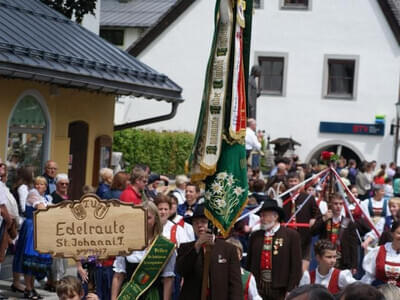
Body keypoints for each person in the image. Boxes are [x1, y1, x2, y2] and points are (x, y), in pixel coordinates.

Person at [176, 204, 242, 300]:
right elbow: (181, 270)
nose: (199, 225)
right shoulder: (185, 248)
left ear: (212, 224)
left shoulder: (228, 249)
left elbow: (235, 285)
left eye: (203, 222)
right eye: (195, 223)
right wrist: (197, 246)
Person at [111, 201, 176, 300]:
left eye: (148, 217)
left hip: (153, 296)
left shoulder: (164, 246)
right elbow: (118, 276)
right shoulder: (126, 242)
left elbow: (168, 279)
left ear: (155, 219)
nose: (144, 220)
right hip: (129, 294)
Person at [246, 200, 302, 300]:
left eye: (264, 216)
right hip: (258, 287)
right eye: (261, 216)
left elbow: (296, 266)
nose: (261, 219)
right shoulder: (255, 236)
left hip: (280, 288)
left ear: (275, 216)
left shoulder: (291, 235)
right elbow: (249, 263)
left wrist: (291, 289)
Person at [12, 176, 52, 299]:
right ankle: (28, 289)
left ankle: (32, 288)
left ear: (46, 187)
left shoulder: (46, 197)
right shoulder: (33, 194)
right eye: (37, 184)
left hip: (39, 228)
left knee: (35, 261)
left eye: (41, 184)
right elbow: (41, 208)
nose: (38, 186)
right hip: (31, 229)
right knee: (30, 259)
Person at [282, 172, 320, 272]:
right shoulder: (282, 198)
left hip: (304, 238)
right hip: (286, 238)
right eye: (291, 181)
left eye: (295, 181)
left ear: (300, 182)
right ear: (287, 183)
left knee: (303, 270)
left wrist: (314, 219)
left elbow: (317, 214)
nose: (293, 183)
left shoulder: (308, 198)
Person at [310, 193, 358, 271]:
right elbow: (313, 232)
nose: (338, 206)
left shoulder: (348, 222)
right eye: (335, 204)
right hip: (326, 258)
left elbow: (353, 245)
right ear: (330, 204)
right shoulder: (324, 219)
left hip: (343, 260)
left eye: (340, 204)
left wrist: (354, 265)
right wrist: (323, 219)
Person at [362, 220, 400, 286]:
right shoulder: (378, 251)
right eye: (399, 233)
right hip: (379, 293)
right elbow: (369, 277)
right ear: (392, 233)